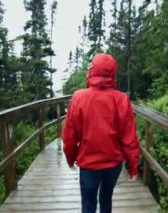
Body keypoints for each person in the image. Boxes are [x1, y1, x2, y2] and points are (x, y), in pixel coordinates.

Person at [61, 53, 140, 213]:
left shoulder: (78, 98)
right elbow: (129, 138)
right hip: (114, 164)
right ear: (112, 72)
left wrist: (70, 158)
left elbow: (69, 136)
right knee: (106, 198)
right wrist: (132, 167)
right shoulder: (121, 99)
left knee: (88, 204)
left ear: (92, 71)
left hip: (88, 165)